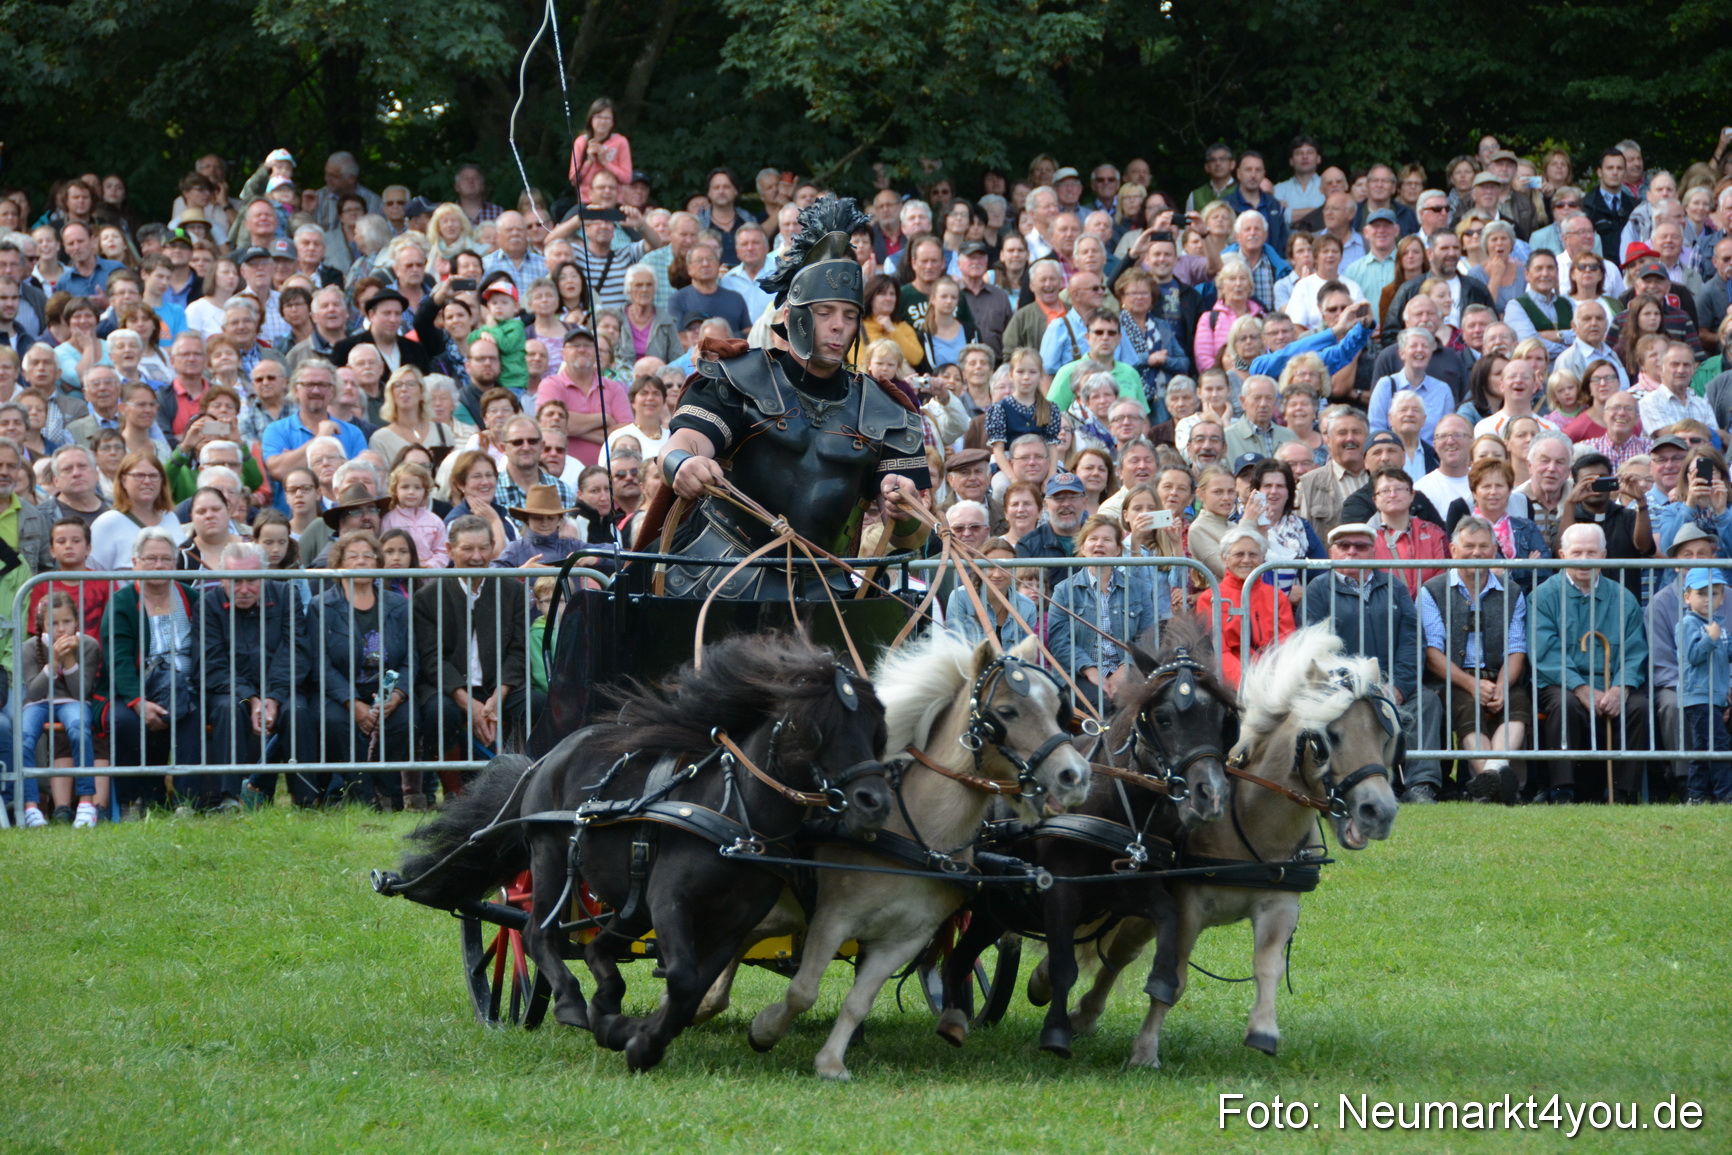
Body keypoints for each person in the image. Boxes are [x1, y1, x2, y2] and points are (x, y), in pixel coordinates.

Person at [1300, 521, 1446, 803]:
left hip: (1391, 681)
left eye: (1360, 546)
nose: (1352, 552)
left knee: (1427, 701)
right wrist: (1350, 686)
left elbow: (1412, 640)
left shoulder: (1394, 587)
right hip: (1341, 687)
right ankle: (1358, 783)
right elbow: (1314, 646)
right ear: (1332, 551)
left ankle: (1421, 785)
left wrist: (1399, 687)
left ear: (1373, 551)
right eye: (1344, 546)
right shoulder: (1318, 590)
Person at [1530, 522, 1650, 804]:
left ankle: (1622, 792)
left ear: (1605, 555)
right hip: (1562, 683)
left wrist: (1621, 688)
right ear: (1562, 554)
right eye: (1577, 552)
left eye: (1591, 553)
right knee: (1565, 703)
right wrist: (1581, 688)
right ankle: (1563, 791)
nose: (1584, 561)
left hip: (1611, 682)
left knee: (1639, 707)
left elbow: (1635, 651)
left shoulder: (1624, 598)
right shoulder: (1544, 596)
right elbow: (1545, 652)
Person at [416, 515, 540, 774]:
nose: (476, 557)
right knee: (440, 713)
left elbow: (518, 651)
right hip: (449, 688)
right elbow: (431, 659)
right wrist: (468, 704)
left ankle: (527, 781)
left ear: (494, 547)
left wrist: (498, 697)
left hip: (500, 685)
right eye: (467, 549)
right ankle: (453, 792)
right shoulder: (428, 597)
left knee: (536, 705)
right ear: (450, 550)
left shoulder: (511, 591)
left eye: (483, 548)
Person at [301, 531, 415, 810]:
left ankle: (391, 794)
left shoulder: (398, 604)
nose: (361, 562)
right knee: (336, 721)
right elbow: (321, 664)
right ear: (338, 563)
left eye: (368, 556)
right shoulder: (321, 606)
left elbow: (411, 659)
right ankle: (360, 795)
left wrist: (397, 696)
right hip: (340, 691)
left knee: (405, 720)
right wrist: (354, 704)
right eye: (353, 556)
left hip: (388, 690)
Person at [1420, 516, 1529, 803]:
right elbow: (1433, 653)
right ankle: (1497, 784)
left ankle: (1488, 779)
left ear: (1494, 550)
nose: (1476, 553)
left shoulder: (1513, 591)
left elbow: (1517, 648)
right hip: (1454, 678)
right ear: (1453, 550)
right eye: (1469, 546)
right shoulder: (1432, 590)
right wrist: (1471, 684)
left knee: (1517, 702)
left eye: (1483, 546)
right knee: (1467, 707)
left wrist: (1503, 686)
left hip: (1497, 674)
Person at [100, 528, 205, 815]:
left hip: (186, 684)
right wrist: (137, 702)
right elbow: (118, 660)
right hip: (136, 687)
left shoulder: (191, 597)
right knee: (124, 722)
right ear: (135, 562)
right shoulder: (122, 603)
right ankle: (136, 800)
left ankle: (188, 800)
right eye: (150, 559)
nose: (159, 565)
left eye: (165, 559)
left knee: (192, 714)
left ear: (175, 562)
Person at [1048, 513, 1161, 705]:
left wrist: (1125, 669)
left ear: (1118, 549)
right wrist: (1090, 671)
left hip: (1128, 671)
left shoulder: (1137, 588)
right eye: (1093, 539)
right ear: (1083, 547)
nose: (1099, 544)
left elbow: (1148, 636)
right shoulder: (1064, 591)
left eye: (1107, 539)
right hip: (1081, 674)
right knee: (1100, 702)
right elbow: (1060, 641)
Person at [16, 592, 103, 829]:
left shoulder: (88, 645)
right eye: (53, 623)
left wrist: (69, 660)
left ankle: (86, 803)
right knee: (23, 737)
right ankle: (31, 807)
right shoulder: (29, 647)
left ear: (76, 621)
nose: (61, 629)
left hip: (72, 702)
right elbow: (33, 692)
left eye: (66, 622)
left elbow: (80, 693)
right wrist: (52, 661)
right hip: (39, 702)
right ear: (42, 625)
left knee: (78, 727)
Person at [1196, 525, 1295, 688]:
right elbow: (1218, 650)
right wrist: (1246, 682)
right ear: (1224, 558)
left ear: (1263, 559)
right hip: (1232, 684)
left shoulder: (1277, 597)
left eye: (1253, 554)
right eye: (1239, 554)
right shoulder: (1210, 598)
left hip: (1275, 681)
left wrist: (1274, 679)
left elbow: (1286, 644)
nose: (1246, 560)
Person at [1675, 568, 1732, 803]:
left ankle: (1698, 795)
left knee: (1702, 748)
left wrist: (1720, 640)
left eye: (1715, 593)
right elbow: (1694, 655)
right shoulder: (1687, 624)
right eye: (1701, 593)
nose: (1709, 599)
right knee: (1719, 745)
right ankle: (1725, 794)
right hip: (1698, 697)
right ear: (1687, 597)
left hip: (1715, 697)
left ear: (1723, 597)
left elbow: (1726, 654)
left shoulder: (1719, 625)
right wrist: (1712, 638)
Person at [1367, 466, 1449, 597]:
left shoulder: (1434, 533)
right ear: (1375, 500)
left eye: (1399, 489)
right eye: (1385, 490)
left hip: (1429, 609)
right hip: (1385, 612)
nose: (1393, 495)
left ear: (1412, 495)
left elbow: (1442, 577)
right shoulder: (1365, 539)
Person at [379, 461, 449, 567]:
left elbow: (443, 551)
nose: (411, 492)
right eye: (405, 487)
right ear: (395, 490)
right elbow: (382, 549)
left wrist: (432, 565)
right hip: (398, 578)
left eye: (417, 487)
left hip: (428, 577)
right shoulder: (389, 520)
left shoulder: (435, 521)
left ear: (425, 492)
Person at [1014, 471, 1090, 559]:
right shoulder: (1027, 546)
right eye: (1058, 498)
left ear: (1085, 502)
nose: (1066, 504)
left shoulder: (1098, 542)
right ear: (1046, 504)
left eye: (1073, 497)